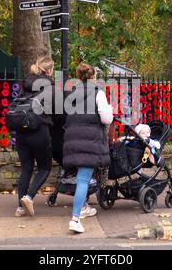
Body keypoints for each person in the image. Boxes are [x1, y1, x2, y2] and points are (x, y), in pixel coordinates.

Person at [62, 63, 114, 233]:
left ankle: (83, 206)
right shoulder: (98, 93)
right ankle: (75, 219)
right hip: (89, 141)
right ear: (93, 77)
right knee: (83, 179)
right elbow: (106, 119)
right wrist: (110, 110)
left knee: (80, 177)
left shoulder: (71, 94)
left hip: (72, 139)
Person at [15, 56, 56, 217]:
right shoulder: (49, 86)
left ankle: (20, 207)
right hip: (39, 130)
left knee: (26, 168)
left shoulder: (26, 82)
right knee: (45, 167)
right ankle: (29, 197)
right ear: (49, 70)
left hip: (21, 131)